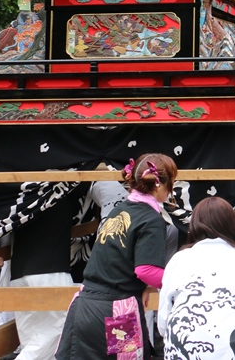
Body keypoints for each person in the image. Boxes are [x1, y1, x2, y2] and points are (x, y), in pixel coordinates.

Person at [57, 153, 178, 360]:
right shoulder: (150, 218)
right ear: (159, 185)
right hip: (116, 313)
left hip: (83, 306)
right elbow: (146, 270)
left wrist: (145, 286)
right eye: (172, 183)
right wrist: (180, 281)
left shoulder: (120, 209)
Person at [158, 197, 235, 358]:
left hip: (183, 343)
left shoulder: (178, 259)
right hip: (233, 343)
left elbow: (164, 315)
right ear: (233, 225)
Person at [10, 191, 79, 360]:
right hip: (50, 270)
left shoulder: (23, 196)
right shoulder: (62, 190)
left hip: (18, 273)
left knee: (31, 338)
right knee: (59, 328)